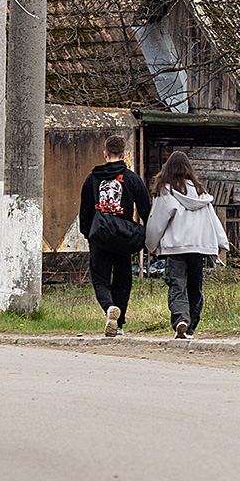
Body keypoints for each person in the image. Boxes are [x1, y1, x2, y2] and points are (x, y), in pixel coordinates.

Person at [144, 150, 230, 338]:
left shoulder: (165, 191)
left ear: (167, 169)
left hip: (175, 247)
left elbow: (157, 221)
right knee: (194, 286)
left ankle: (180, 320)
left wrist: (151, 245)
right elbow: (212, 219)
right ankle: (190, 327)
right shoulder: (201, 192)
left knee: (177, 284)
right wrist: (220, 244)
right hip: (199, 246)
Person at [78, 133, 151, 338]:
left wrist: (88, 234)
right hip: (123, 236)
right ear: (124, 154)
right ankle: (119, 325)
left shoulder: (92, 179)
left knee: (100, 278)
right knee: (123, 280)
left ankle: (109, 308)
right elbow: (145, 208)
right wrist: (145, 234)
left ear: (105, 154)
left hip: (100, 236)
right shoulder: (131, 178)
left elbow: (84, 211)